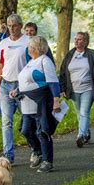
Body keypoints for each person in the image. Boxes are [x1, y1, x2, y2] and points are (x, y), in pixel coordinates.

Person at [11, 36, 61, 172]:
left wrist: (56, 100)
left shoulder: (45, 61)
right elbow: (25, 82)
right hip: (26, 104)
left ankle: (47, 161)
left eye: (31, 47)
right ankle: (38, 150)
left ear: (37, 48)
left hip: (41, 102)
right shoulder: (31, 62)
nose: (28, 49)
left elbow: (53, 81)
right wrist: (16, 90)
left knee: (42, 131)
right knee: (25, 129)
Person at [0, 14, 30, 164]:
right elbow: (0, 66)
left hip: (23, 85)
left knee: (28, 120)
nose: (12, 28)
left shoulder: (28, 41)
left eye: (14, 25)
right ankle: (8, 155)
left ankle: (35, 148)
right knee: (6, 121)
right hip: (5, 84)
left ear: (20, 26)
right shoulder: (3, 43)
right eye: (9, 26)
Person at [59, 32, 94, 147]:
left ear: (85, 42)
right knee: (79, 114)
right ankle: (86, 134)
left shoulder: (92, 54)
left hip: (88, 88)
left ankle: (81, 136)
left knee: (84, 112)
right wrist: (62, 88)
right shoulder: (70, 55)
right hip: (73, 89)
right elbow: (63, 72)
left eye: (79, 39)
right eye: (75, 39)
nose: (76, 41)